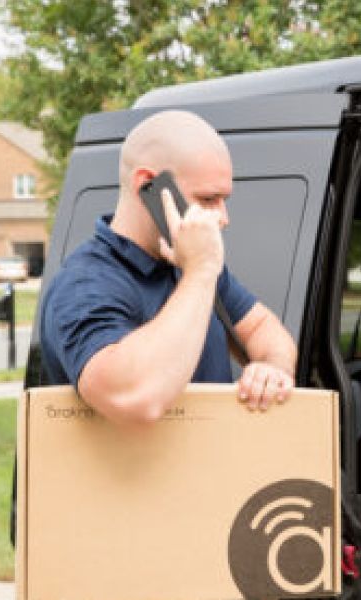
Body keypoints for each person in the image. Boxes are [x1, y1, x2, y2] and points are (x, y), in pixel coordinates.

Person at [39, 110, 296, 425]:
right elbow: (136, 399)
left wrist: (272, 368)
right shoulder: (85, 283)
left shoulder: (191, 265)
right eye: (208, 199)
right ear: (148, 185)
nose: (223, 218)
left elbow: (262, 329)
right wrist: (200, 273)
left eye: (223, 200)